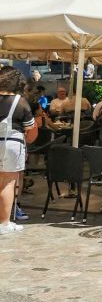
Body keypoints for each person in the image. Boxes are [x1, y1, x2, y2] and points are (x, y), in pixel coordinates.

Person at [0, 67, 38, 235]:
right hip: (12, 144)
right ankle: (4, 222)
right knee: (8, 182)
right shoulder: (19, 102)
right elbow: (31, 129)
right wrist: (27, 141)